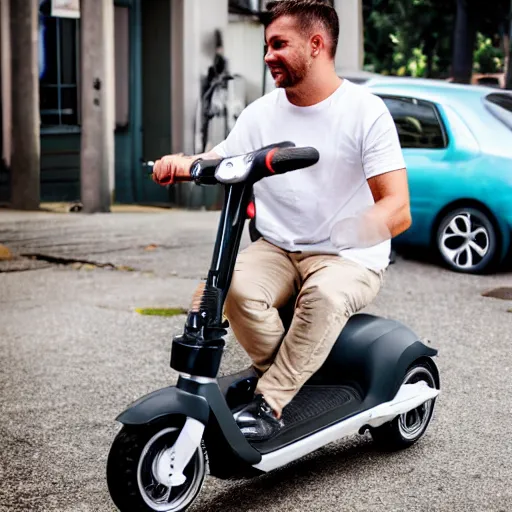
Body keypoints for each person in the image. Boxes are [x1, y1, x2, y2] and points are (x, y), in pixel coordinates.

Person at [152, 0, 411, 441]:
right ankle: (295, 380)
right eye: (266, 45)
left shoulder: (365, 111)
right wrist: (182, 162)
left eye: (278, 44)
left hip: (345, 255)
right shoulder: (261, 113)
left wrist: (358, 229)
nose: (268, 54)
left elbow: (398, 208)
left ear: (316, 45)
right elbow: (218, 159)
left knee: (325, 296)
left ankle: (271, 402)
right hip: (277, 247)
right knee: (226, 288)